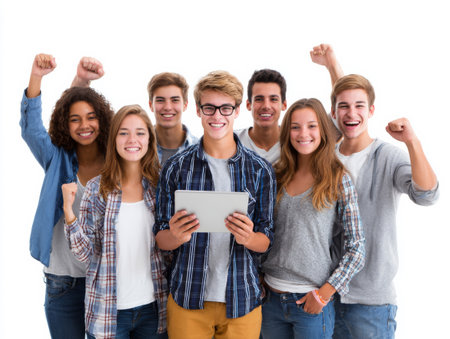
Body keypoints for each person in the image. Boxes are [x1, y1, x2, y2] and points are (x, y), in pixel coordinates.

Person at [154, 70, 276, 339]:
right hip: (188, 297)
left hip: (241, 299)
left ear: (236, 111)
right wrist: (175, 235)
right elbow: (161, 239)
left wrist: (248, 237)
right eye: (209, 108)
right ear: (198, 110)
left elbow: (266, 239)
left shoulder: (260, 170)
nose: (217, 116)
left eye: (225, 108)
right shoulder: (176, 168)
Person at [329, 74, 439, 338]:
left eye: (359, 106)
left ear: (371, 111)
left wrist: (412, 142)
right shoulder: (326, 157)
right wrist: (332, 66)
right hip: (326, 295)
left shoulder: (387, 156)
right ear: (333, 112)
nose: (351, 112)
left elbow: (426, 195)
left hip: (371, 303)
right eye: (343, 106)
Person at [20, 53, 113, 339]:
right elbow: (31, 129)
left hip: (104, 282)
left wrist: (82, 81)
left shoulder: (115, 162)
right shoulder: (56, 159)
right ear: (65, 124)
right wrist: (36, 77)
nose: (84, 125)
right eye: (74, 120)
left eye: (91, 118)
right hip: (62, 281)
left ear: (102, 119)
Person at [260, 98, 365, 338]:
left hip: (311, 302)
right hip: (270, 300)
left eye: (312, 126)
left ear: (323, 131)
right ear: (287, 133)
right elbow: (263, 232)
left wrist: (325, 293)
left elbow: (357, 247)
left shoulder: (338, 179)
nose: (303, 133)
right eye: (295, 127)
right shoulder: (275, 175)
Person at [62, 105, 168, 339]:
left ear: (149, 139)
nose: (132, 139)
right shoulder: (97, 189)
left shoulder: (159, 187)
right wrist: (69, 213)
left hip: (154, 309)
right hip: (108, 312)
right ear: (114, 139)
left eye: (140, 132)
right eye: (123, 132)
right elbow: (85, 256)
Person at [237, 44, 343, 164]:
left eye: (273, 99)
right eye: (259, 99)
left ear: (284, 105)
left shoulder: (299, 138)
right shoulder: (233, 140)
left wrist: (332, 65)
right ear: (248, 105)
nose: (266, 106)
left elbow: (341, 117)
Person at [147, 72, 198, 165]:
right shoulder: (139, 147)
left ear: (185, 105)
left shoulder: (200, 150)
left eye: (175, 100)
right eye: (160, 100)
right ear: (151, 105)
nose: (167, 107)